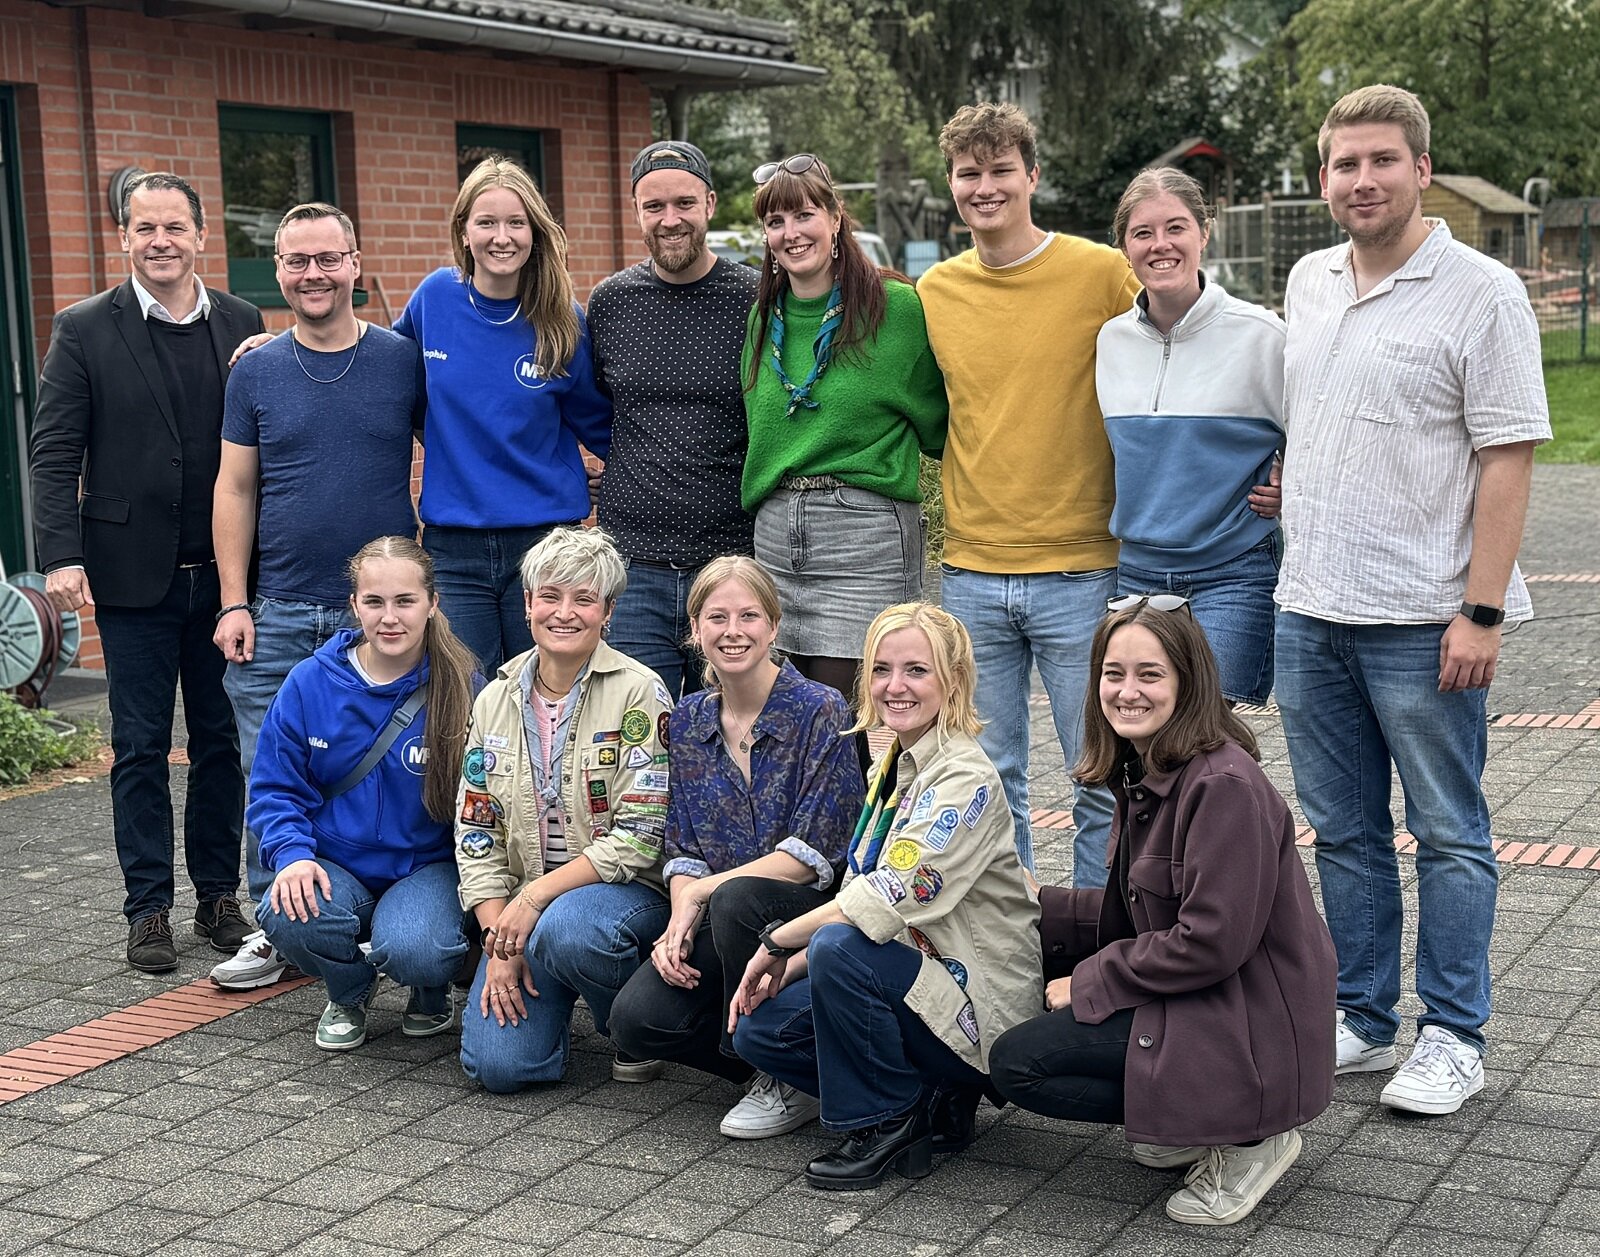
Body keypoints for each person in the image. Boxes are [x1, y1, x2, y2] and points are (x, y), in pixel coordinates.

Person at [1274, 85, 1550, 1115]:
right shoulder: (1306, 281)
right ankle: (1358, 1013)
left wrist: (1481, 610)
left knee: (1448, 831)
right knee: (1339, 832)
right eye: (1344, 164)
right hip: (1309, 608)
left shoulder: (1481, 292)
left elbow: (1508, 457)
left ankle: (1452, 1033)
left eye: (1382, 161)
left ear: (1421, 170)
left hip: (1424, 619)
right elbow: (1318, 418)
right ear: (1323, 179)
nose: (1362, 180)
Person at [988, 597, 1336, 1226]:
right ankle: (1191, 1116)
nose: (1127, 692)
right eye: (1113, 674)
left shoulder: (1221, 786)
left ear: (1188, 680)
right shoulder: (1151, 767)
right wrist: (1026, 903)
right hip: (1207, 992)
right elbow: (1138, 911)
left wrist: (1091, 981)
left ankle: (1251, 1139)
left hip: (1247, 1017)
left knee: (1022, 1064)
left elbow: (1209, 942)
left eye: (1150, 675)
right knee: (1028, 961)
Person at [30, 171, 262, 972]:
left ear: (201, 236)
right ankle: (148, 909)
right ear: (123, 238)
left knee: (221, 743)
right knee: (137, 747)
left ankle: (219, 896)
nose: (160, 240)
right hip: (131, 577)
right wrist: (61, 553)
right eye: (144, 228)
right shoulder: (85, 327)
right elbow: (55, 453)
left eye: (175, 226)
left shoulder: (242, 321)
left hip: (227, 579)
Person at [727, 603, 1041, 1191]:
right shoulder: (894, 763)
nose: (895, 687)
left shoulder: (962, 777)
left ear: (953, 681)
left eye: (917, 671)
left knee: (838, 948)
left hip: (976, 1006)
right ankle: (930, 1097)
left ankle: (886, 1120)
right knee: (759, 1031)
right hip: (916, 980)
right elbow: (860, 889)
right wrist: (784, 971)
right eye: (881, 669)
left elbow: (886, 898)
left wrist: (775, 944)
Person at [916, 102, 1140, 882]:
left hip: (1084, 567)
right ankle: (1014, 950)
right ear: (952, 184)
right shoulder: (935, 291)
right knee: (987, 782)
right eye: (969, 173)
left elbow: (1172, 361)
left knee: (1102, 777)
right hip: (972, 570)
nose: (986, 187)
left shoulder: (1101, 272)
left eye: (1000, 170)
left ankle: (1100, 951)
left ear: (1032, 175)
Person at [209, 202, 426, 992]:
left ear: (356, 264)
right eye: (297, 261)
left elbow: (451, 454)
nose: (314, 274)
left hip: (382, 614)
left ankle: (385, 916)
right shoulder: (256, 370)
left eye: (328, 259)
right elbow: (234, 486)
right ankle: (277, 922)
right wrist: (236, 602)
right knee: (269, 764)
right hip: (281, 608)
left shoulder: (402, 359)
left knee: (384, 767)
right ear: (278, 271)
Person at [608, 557, 864, 1137]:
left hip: (809, 918)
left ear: (774, 627)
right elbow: (683, 842)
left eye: (749, 615)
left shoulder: (819, 708)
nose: (733, 630)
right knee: (635, 1022)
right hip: (720, 915)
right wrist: (679, 916)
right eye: (716, 616)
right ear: (695, 630)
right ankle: (776, 1061)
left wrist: (702, 893)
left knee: (739, 898)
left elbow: (814, 852)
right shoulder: (691, 717)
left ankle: (785, 1074)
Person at [455, 526, 674, 1092]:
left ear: (608, 611)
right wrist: (498, 938)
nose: (565, 613)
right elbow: (476, 829)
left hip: (618, 902)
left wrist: (534, 900)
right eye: (550, 596)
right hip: (525, 914)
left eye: (584, 599)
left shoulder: (640, 692)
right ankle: (547, 1003)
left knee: (571, 931)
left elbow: (642, 835)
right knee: (500, 1069)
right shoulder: (493, 697)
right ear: (527, 604)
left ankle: (628, 1023)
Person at [251, 538, 474, 1049]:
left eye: (405, 601)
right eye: (374, 602)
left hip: (426, 865)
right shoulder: (310, 682)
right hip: (338, 863)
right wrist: (290, 856)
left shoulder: (463, 685)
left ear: (432, 603)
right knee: (287, 910)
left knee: (418, 946)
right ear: (354, 605)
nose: (389, 617)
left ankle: (429, 985)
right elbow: (274, 787)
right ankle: (348, 989)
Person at [740, 154, 947, 699]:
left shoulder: (893, 307)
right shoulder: (765, 316)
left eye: (804, 215)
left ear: (835, 218)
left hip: (864, 536)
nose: (791, 233)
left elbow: (941, 425)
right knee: (784, 720)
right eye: (775, 222)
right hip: (776, 535)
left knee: (844, 721)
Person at [395, 157, 611, 673]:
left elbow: (604, 428)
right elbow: (377, 371)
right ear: (463, 232)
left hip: (546, 545)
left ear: (535, 232)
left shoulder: (564, 319)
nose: (502, 236)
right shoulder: (434, 299)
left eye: (516, 223)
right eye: (486, 222)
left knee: (547, 694)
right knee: (466, 699)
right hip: (454, 546)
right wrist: (291, 348)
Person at [1096, 167, 1285, 706]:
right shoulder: (1111, 342)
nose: (1161, 245)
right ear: (1124, 247)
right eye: (1143, 233)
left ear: (1205, 233)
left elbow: (1319, 434)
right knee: (1143, 737)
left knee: (1210, 736)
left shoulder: (1261, 335)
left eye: (1176, 228)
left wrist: (1290, 484)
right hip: (1137, 573)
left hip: (1234, 573)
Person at [589, 142, 759, 699]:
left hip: (730, 564)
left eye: (684, 203)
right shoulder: (611, 302)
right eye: (653, 206)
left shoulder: (755, 299)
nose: (670, 219)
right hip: (634, 567)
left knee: (734, 732)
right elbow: (587, 408)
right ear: (635, 212)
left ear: (710, 203)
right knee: (641, 740)